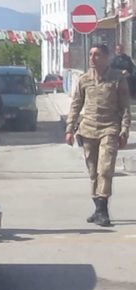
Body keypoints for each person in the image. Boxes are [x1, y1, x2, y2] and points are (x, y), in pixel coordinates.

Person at [66, 44, 131, 227]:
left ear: (106, 57)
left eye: (97, 55)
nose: (93, 58)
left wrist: (124, 130)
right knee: (93, 172)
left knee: (105, 169)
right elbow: (76, 105)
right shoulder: (84, 79)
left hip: (109, 128)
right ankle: (97, 207)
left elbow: (125, 106)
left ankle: (103, 210)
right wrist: (69, 129)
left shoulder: (117, 78)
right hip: (88, 130)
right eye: (91, 54)